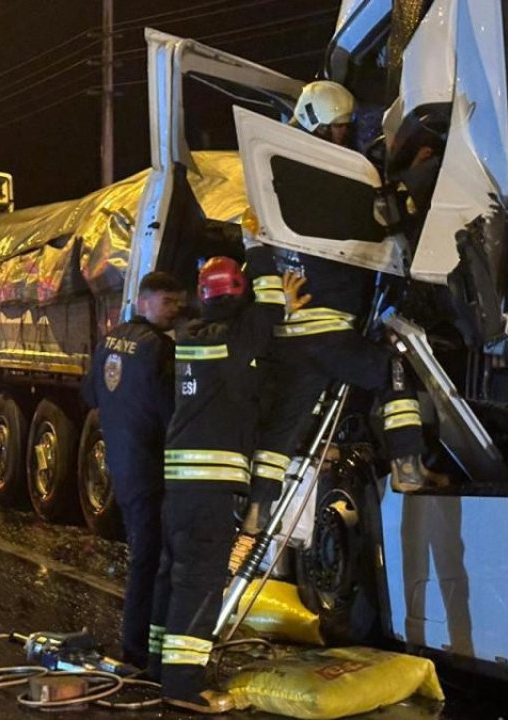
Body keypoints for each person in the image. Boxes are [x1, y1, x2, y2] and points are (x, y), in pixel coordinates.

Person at [244, 80, 444, 540]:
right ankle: (407, 466)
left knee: (282, 428)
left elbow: (257, 250)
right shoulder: (332, 185)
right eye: (337, 127)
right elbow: (383, 214)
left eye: (346, 127)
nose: (344, 134)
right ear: (315, 124)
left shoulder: (277, 185)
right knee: (394, 370)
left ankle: (257, 510)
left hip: (290, 337)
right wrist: (418, 176)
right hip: (331, 334)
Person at [148, 224, 308, 713]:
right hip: (210, 491)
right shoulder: (236, 341)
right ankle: (183, 686)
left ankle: (157, 666)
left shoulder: (192, 336)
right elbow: (267, 306)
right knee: (200, 582)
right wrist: (258, 245)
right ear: (239, 295)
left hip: (180, 488)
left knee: (173, 575)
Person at [81, 270, 184, 671]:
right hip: (151, 466)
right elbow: (172, 414)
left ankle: (138, 643)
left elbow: (91, 394)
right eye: (167, 302)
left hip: (123, 464)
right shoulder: (160, 349)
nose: (175, 310)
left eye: (178, 302)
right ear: (143, 302)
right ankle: (138, 649)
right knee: (150, 560)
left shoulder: (110, 340)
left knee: (143, 553)